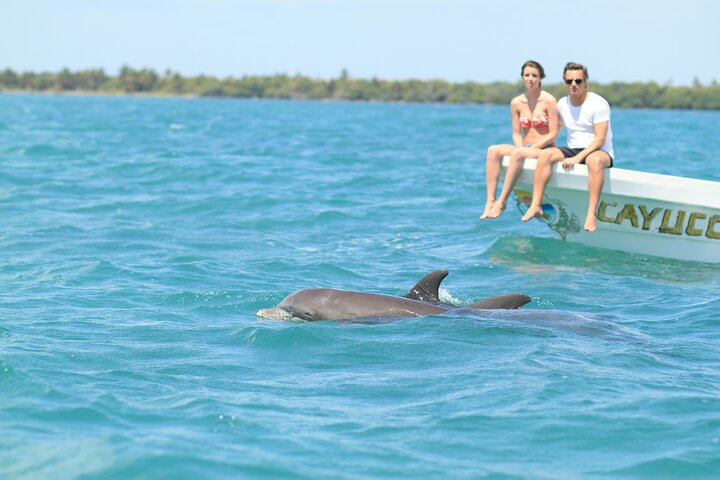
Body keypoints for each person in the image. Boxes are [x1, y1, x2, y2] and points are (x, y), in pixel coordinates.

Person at [521, 62, 614, 232]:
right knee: (546, 155)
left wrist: (578, 159)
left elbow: (600, 139)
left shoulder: (598, 103)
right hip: (573, 149)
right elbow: (554, 132)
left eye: (578, 81)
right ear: (565, 81)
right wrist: (533, 148)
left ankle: (591, 214)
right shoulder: (562, 104)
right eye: (569, 81)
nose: (573, 85)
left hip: (598, 151)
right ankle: (536, 205)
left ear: (585, 82)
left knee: (594, 161)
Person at [480, 60, 559, 220]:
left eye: (534, 75)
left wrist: (530, 148)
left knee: (518, 154)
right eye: (527, 75)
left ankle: (502, 202)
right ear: (522, 77)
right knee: (493, 150)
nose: (530, 78)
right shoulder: (516, 102)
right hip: (525, 147)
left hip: (543, 148)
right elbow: (516, 132)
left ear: (541, 78)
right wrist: (520, 147)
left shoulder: (549, 100)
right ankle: (490, 200)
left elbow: (553, 133)